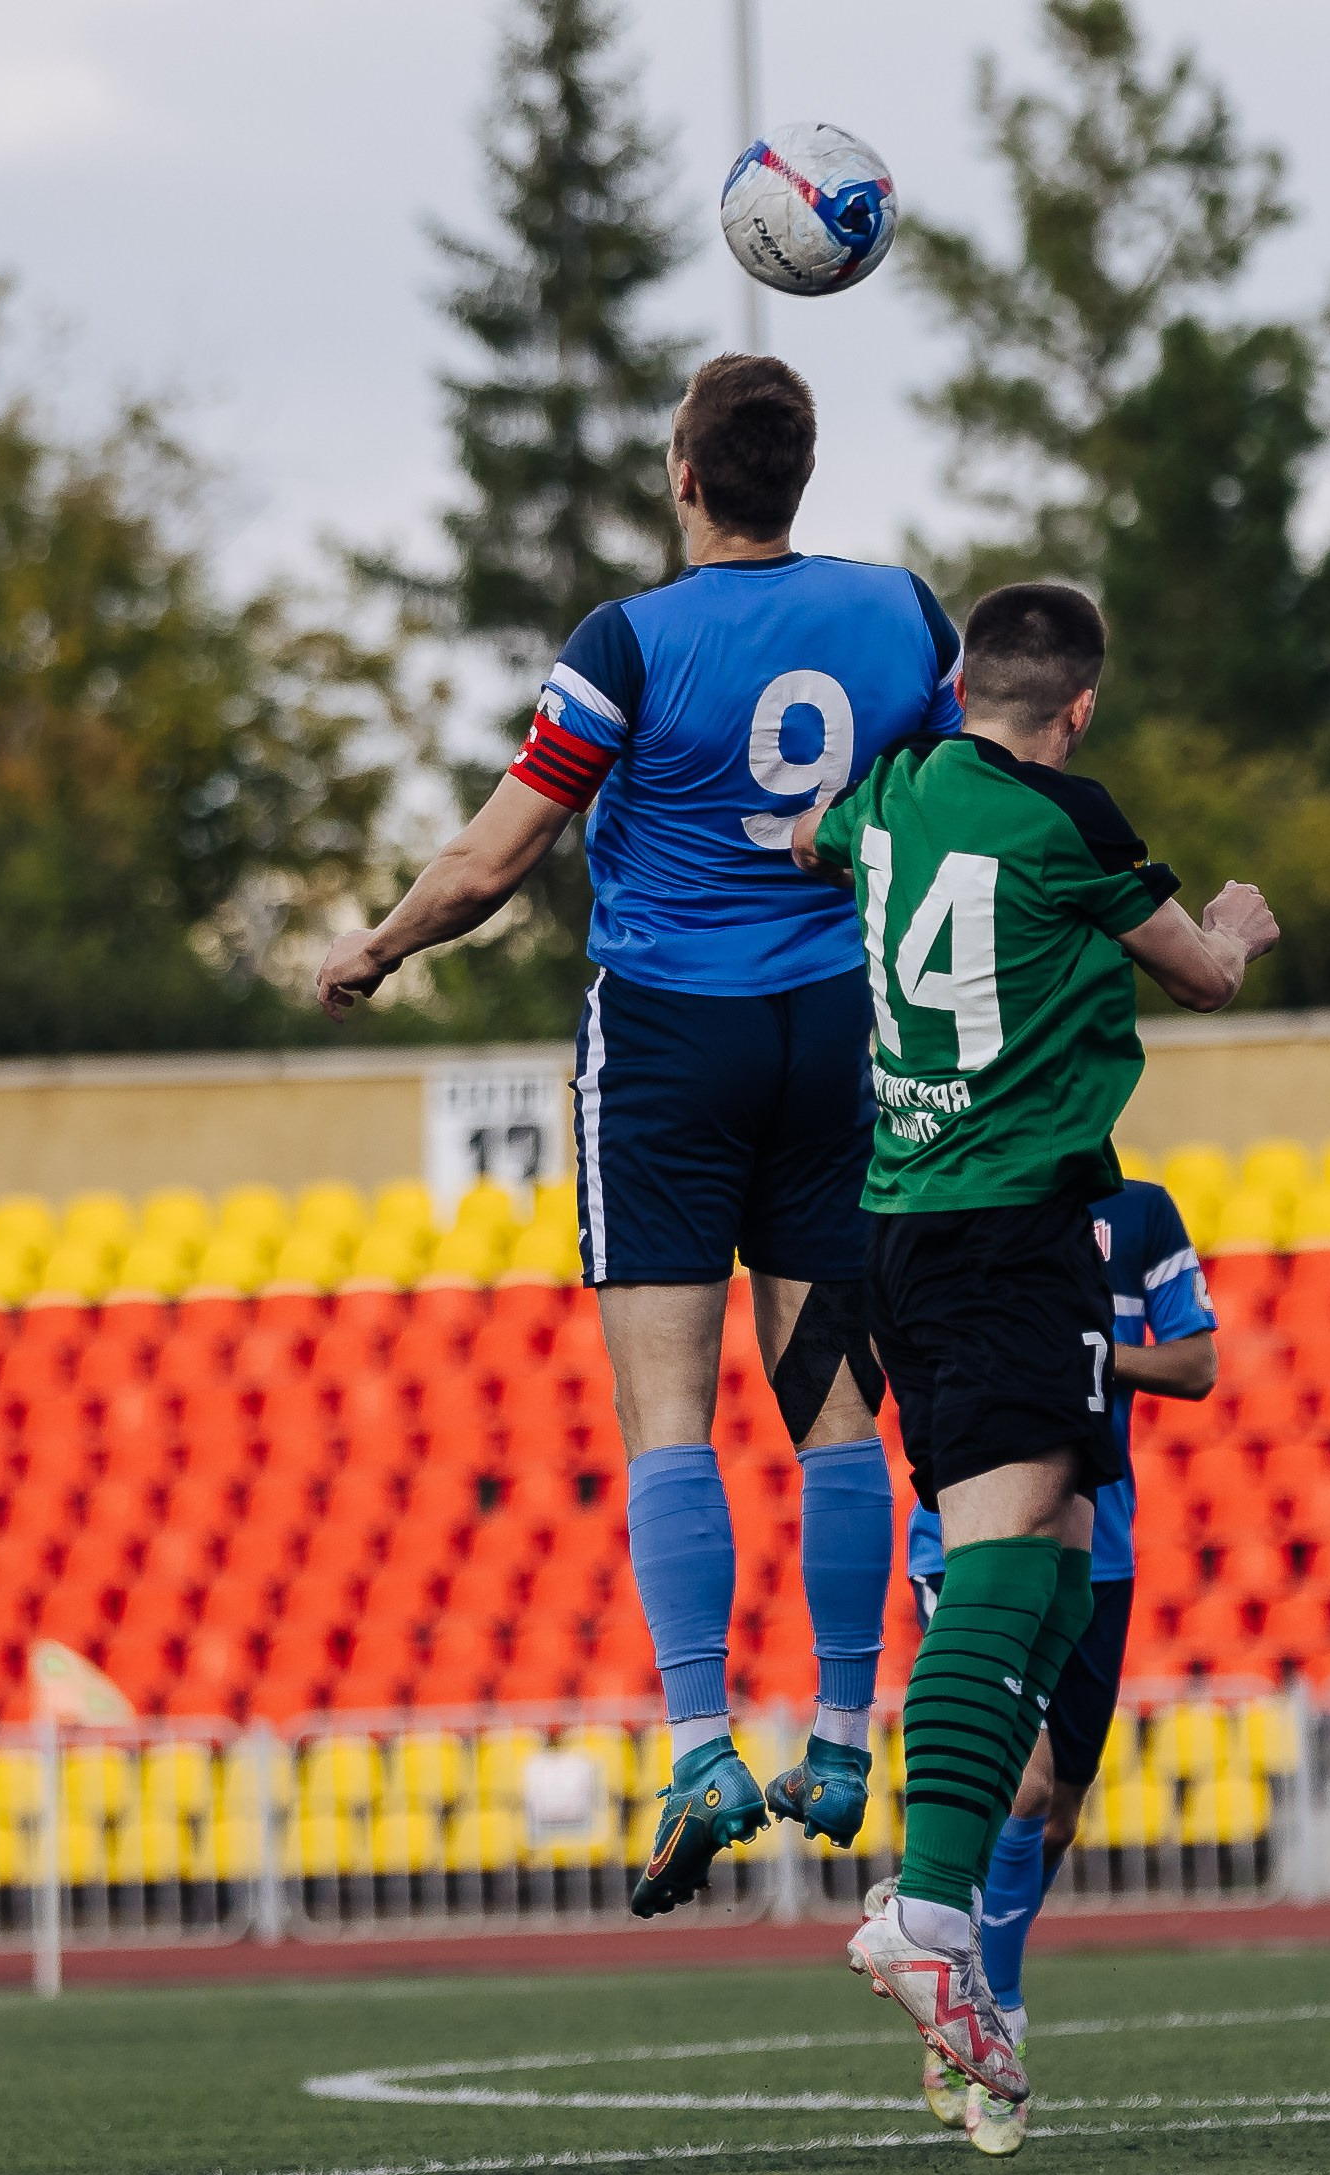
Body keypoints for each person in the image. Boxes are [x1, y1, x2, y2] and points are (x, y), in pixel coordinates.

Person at [314, 355, 965, 1918]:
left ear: (684, 475)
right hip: (840, 1037)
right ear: (801, 473)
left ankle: (698, 1745)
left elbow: (494, 859)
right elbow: (960, 795)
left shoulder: (630, 640)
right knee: (832, 1416)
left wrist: (378, 948)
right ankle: (839, 1735)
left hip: (675, 1045)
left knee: (672, 1414)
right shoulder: (903, 617)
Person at [793, 580, 1279, 2137]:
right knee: (1014, 1558)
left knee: (1059, 1561)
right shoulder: (1069, 818)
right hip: (1009, 1233)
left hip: (900, 1232)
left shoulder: (885, 790)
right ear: (1078, 708)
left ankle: (936, 1911)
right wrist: (1237, 924)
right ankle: (929, 1912)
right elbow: (1195, 974)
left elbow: (799, 844)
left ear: (957, 686)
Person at [906, 1174, 1218, 2155]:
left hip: (1099, 1539)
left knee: (1063, 1805)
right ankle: (984, 2019)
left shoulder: (1141, 1214)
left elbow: (1198, 1363)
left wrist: (1082, 1353)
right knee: (1028, 1784)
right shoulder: (960, 1193)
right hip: (966, 1529)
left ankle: (970, 1967)